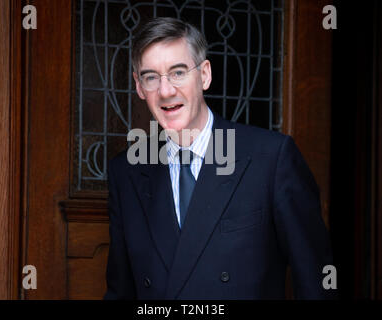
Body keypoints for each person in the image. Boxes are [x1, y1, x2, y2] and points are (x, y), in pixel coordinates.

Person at [104, 17, 336, 299]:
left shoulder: (271, 159)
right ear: (139, 87)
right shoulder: (126, 172)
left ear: (204, 74)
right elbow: (120, 292)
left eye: (178, 72)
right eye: (151, 77)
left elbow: (315, 284)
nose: (165, 91)